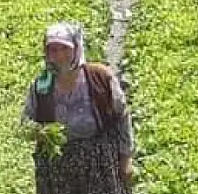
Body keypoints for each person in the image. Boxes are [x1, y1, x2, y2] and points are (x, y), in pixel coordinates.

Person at [22, 22, 136, 194]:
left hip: (99, 164)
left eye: (65, 49)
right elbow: (26, 122)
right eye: (53, 50)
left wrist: (126, 158)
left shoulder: (100, 77)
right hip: (57, 168)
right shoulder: (42, 86)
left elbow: (122, 116)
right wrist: (38, 132)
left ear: (77, 49)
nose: (59, 56)